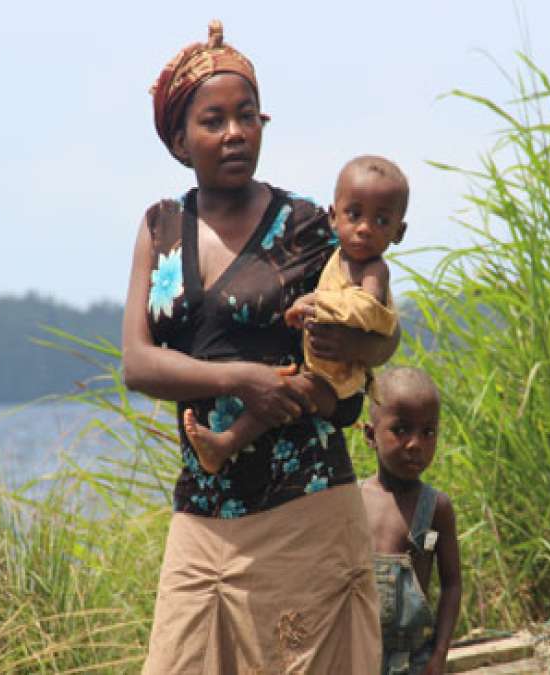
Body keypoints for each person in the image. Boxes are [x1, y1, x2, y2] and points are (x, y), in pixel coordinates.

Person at [121, 20, 397, 673]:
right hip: (202, 509)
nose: (235, 132)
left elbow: (381, 334)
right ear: (180, 139)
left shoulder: (308, 225)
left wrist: (348, 337)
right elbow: (137, 362)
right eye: (213, 121)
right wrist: (243, 378)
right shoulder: (161, 227)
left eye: (248, 116)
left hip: (305, 507)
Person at [184, 154, 407, 474]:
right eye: (354, 215)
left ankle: (225, 444)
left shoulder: (373, 269)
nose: (364, 229)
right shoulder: (336, 257)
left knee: (285, 393)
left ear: (398, 232)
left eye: (381, 221)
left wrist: (315, 303)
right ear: (333, 217)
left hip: (338, 381)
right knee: (275, 386)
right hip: (317, 367)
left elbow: (367, 308)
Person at [360, 367, 462, 675]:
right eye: (401, 429)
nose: (415, 443)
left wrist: (439, 654)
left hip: (412, 662)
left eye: (427, 432)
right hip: (357, 653)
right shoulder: (353, 501)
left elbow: (452, 584)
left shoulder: (435, 508)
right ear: (370, 435)